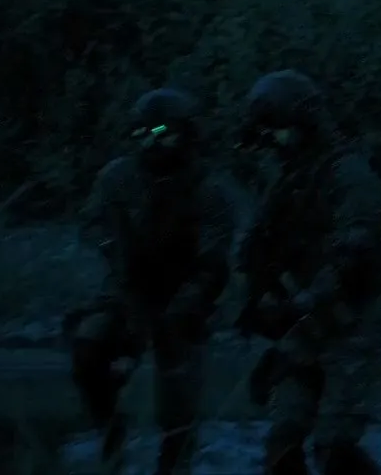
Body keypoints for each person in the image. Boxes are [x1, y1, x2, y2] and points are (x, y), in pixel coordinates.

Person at [67, 88, 236, 475]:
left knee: (177, 410)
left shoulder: (209, 189)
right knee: (88, 349)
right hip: (126, 291)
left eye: (163, 135)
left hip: (182, 297)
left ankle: (175, 459)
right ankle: (111, 431)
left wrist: (188, 301)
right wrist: (112, 246)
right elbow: (91, 222)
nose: (152, 145)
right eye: (143, 135)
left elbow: (214, 259)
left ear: (187, 136)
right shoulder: (118, 177)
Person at [233, 69, 381, 475]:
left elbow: (354, 253)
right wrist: (260, 297)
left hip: (350, 322)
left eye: (278, 131)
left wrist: (305, 301)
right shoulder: (286, 178)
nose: (273, 143)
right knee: (283, 443)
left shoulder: (349, 175)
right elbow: (258, 248)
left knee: (335, 448)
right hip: (304, 326)